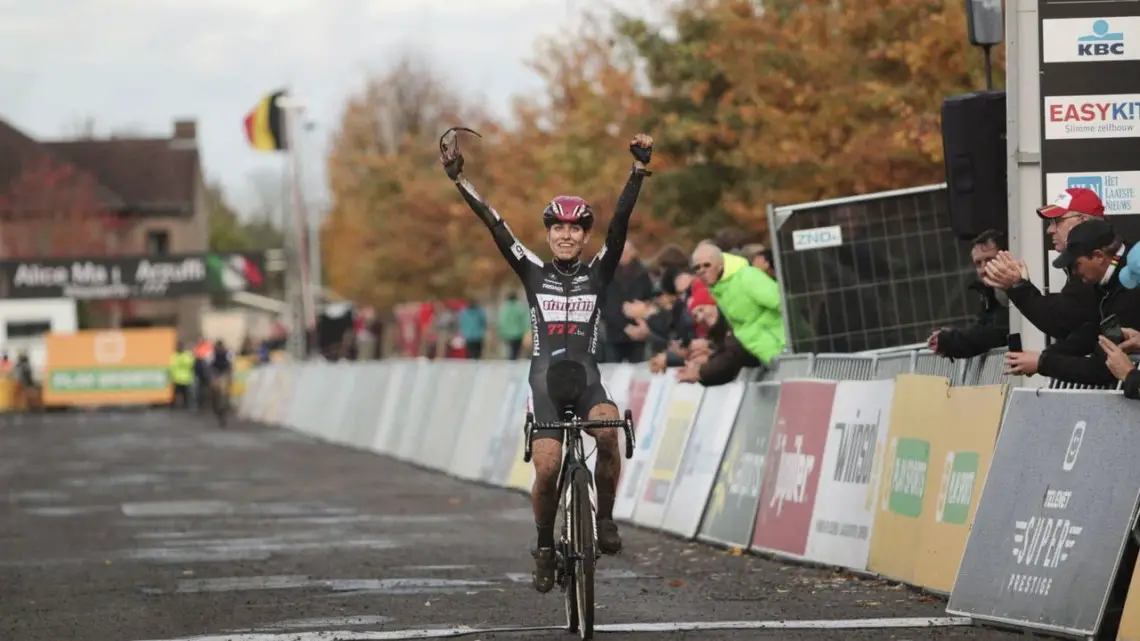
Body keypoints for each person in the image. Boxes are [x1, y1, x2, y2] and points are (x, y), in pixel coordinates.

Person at [441, 129, 653, 593]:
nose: (565, 234)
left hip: (589, 379)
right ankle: (543, 545)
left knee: (608, 430)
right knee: (548, 467)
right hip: (546, 384)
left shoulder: (599, 270)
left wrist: (637, 172)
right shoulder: (532, 271)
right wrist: (461, 181)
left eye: (575, 227)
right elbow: (497, 226)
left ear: (583, 235)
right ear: (550, 232)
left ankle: (606, 518)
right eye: (557, 227)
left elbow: (619, 225)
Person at [1005, 219, 1140, 386]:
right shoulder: (1104, 280)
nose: (1075, 273)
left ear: (1098, 256)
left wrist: (1043, 363)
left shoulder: (1130, 291)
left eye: (1076, 265)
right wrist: (1043, 358)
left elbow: (1101, 368)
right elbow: (1090, 331)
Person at [982, 188, 1104, 339]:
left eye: (1057, 221)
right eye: (1050, 223)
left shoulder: (1096, 264)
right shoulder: (1081, 265)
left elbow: (1062, 321)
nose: (1050, 230)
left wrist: (1018, 287)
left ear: (1083, 221)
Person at [688, 242, 786, 369]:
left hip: (784, 350)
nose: (702, 271)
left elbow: (782, 304)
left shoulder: (746, 276)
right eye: (697, 268)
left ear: (720, 263)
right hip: (767, 357)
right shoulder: (718, 289)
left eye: (707, 265)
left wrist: (789, 346)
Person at [927, 229, 1010, 359]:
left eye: (990, 260)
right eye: (978, 264)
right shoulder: (990, 296)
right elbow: (983, 331)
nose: (983, 269)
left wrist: (952, 340)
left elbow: (996, 332)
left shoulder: (1018, 291)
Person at [497, 292, 529, 360]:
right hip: (518, 333)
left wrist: (501, 331)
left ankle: (511, 362)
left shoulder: (504, 308)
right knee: (516, 350)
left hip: (507, 333)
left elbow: (501, 321)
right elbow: (524, 320)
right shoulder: (520, 307)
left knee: (510, 350)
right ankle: (514, 361)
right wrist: (526, 330)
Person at [169, 342, 195, 409]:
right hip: (177, 379)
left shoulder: (186, 355)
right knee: (175, 394)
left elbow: (191, 364)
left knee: (186, 394)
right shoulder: (174, 356)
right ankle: (175, 406)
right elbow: (171, 367)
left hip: (185, 379)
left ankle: (186, 406)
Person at [209, 339, 234, 404]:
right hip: (218, 372)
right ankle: (218, 403)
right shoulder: (214, 352)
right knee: (217, 389)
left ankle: (222, 403)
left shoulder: (224, 352)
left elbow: (229, 363)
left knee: (222, 390)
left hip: (222, 372)